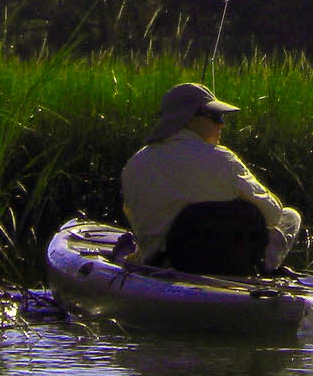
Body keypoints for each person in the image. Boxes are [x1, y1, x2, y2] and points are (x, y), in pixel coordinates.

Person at [120, 82, 302, 275]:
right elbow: (274, 215)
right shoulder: (223, 159)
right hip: (229, 266)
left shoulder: (133, 164)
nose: (222, 124)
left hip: (160, 263)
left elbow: (136, 221)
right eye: (216, 117)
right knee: (290, 216)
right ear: (191, 120)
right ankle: (263, 269)